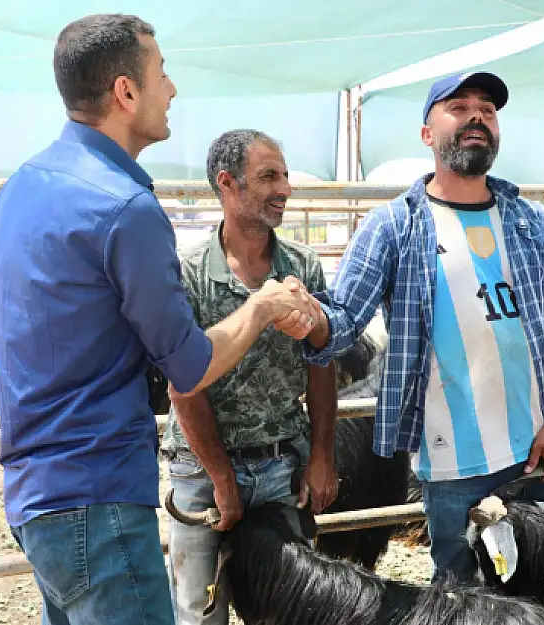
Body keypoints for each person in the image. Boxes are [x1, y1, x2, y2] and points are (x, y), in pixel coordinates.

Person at [0, 14, 319, 625]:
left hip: (34, 496)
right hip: (100, 502)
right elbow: (188, 366)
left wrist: (27, 432)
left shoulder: (23, 186)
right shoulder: (125, 208)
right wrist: (263, 305)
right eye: (162, 73)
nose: (173, 89)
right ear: (125, 92)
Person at [295, 71, 544, 584]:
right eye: (458, 107)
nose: (476, 116)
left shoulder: (533, 222)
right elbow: (344, 322)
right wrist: (307, 319)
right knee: (466, 602)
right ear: (427, 134)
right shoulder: (392, 226)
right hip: (453, 465)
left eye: (486, 107)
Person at [163, 129, 339, 625]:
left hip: (282, 465)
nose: (283, 188)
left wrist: (323, 453)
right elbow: (184, 383)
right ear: (227, 183)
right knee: (201, 612)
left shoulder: (302, 265)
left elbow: (321, 362)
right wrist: (221, 477)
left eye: (283, 175)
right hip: (200, 471)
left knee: (294, 611)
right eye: (268, 176)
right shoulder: (188, 272)